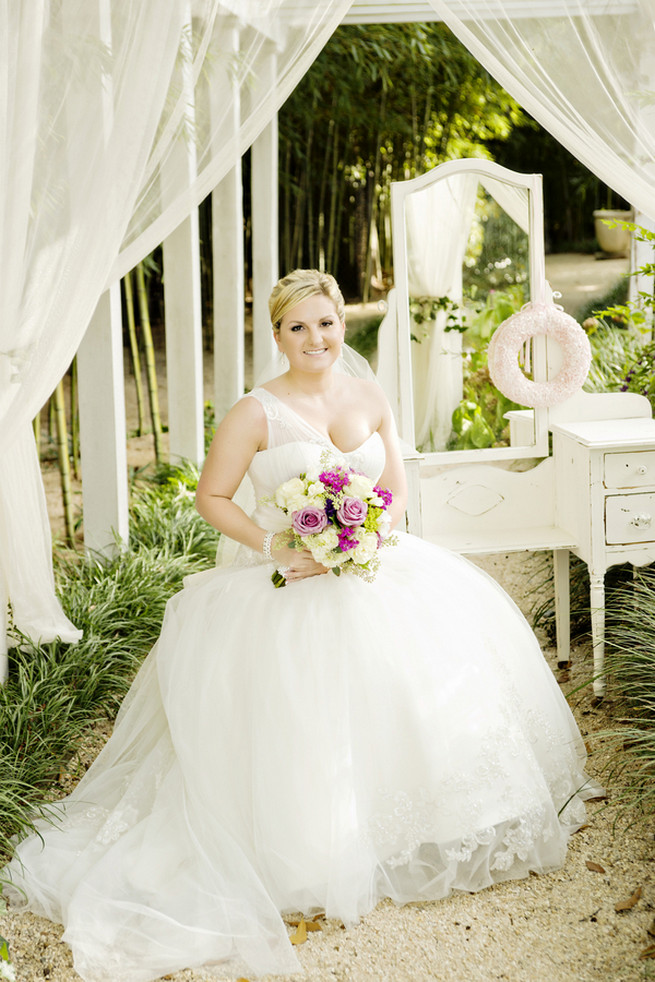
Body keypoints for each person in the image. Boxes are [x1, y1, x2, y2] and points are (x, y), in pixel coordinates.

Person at [3, 270, 598, 982]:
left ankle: (407, 833)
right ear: (277, 335)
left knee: (408, 692)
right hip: (284, 581)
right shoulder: (256, 411)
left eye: (325, 323)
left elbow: (396, 484)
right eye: (296, 328)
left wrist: (373, 533)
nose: (314, 339)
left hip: (374, 569)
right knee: (300, 715)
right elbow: (213, 496)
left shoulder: (369, 393)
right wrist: (276, 546)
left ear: (341, 323)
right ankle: (312, 850)